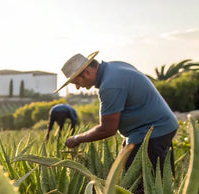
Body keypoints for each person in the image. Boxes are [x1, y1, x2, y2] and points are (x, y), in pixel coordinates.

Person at [57, 51, 179, 179]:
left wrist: (77, 138)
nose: (77, 87)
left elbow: (107, 129)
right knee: (160, 179)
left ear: (87, 72)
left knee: (140, 186)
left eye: (76, 82)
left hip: (152, 133)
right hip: (159, 127)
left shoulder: (110, 85)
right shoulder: (115, 67)